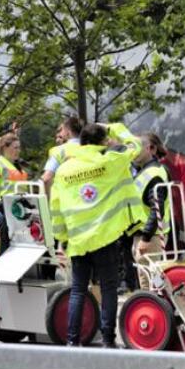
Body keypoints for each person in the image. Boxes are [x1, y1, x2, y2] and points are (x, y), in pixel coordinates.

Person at [50, 123, 147, 347]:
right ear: (103, 141)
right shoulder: (110, 161)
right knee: (108, 289)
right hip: (105, 237)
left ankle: (72, 342)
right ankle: (108, 340)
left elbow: (56, 207)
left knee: (77, 291)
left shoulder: (64, 170)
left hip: (78, 241)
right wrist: (115, 127)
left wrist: (62, 238)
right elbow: (135, 145)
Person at [131, 133, 172, 289]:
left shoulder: (153, 174)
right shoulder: (148, 171)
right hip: (149, 236)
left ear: (151, 149)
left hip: (150, 238)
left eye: (136, 147)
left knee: (150, 284)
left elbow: (157, 209)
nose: (133, 151)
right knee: (155, 280)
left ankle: (167, 311)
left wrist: (146, 237)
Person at [0, 133, 28, 253]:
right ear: (5, 148)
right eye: (15, 148)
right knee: (3, 248)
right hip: (3, 209)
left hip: (18, 211)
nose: (18, 151)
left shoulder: (16, 165)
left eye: (19, 147)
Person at [41, 116, 83, 194]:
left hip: (66, 200)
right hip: (90, 198)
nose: (60, 133)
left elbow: (46, 179)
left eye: (62, 130)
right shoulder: (91, 147)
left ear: (68, 131)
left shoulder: (59, 151)